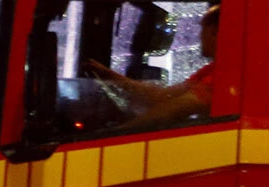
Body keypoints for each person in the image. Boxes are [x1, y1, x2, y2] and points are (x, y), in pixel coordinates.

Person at [82, 4, 230, 130]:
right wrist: (107, 74)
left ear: (215, 31)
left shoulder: (227, 74)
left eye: (202, 30)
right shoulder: (213, 69)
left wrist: (117, 134)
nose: (199, 37)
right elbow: (161, 97)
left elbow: (174, 109)